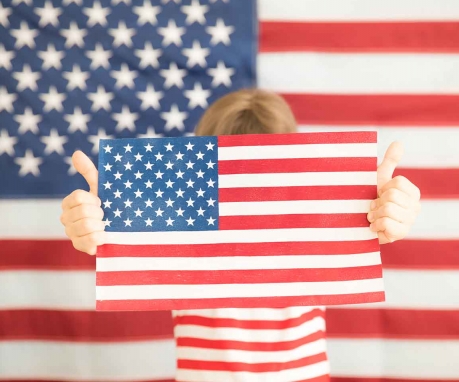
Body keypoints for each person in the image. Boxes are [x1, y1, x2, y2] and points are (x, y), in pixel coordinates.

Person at [60, 89, 421, 382]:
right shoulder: (175, 220)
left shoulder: (321, 216)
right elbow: (109, 240)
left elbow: (375, 226)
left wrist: (391, 215)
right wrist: (95, 228)